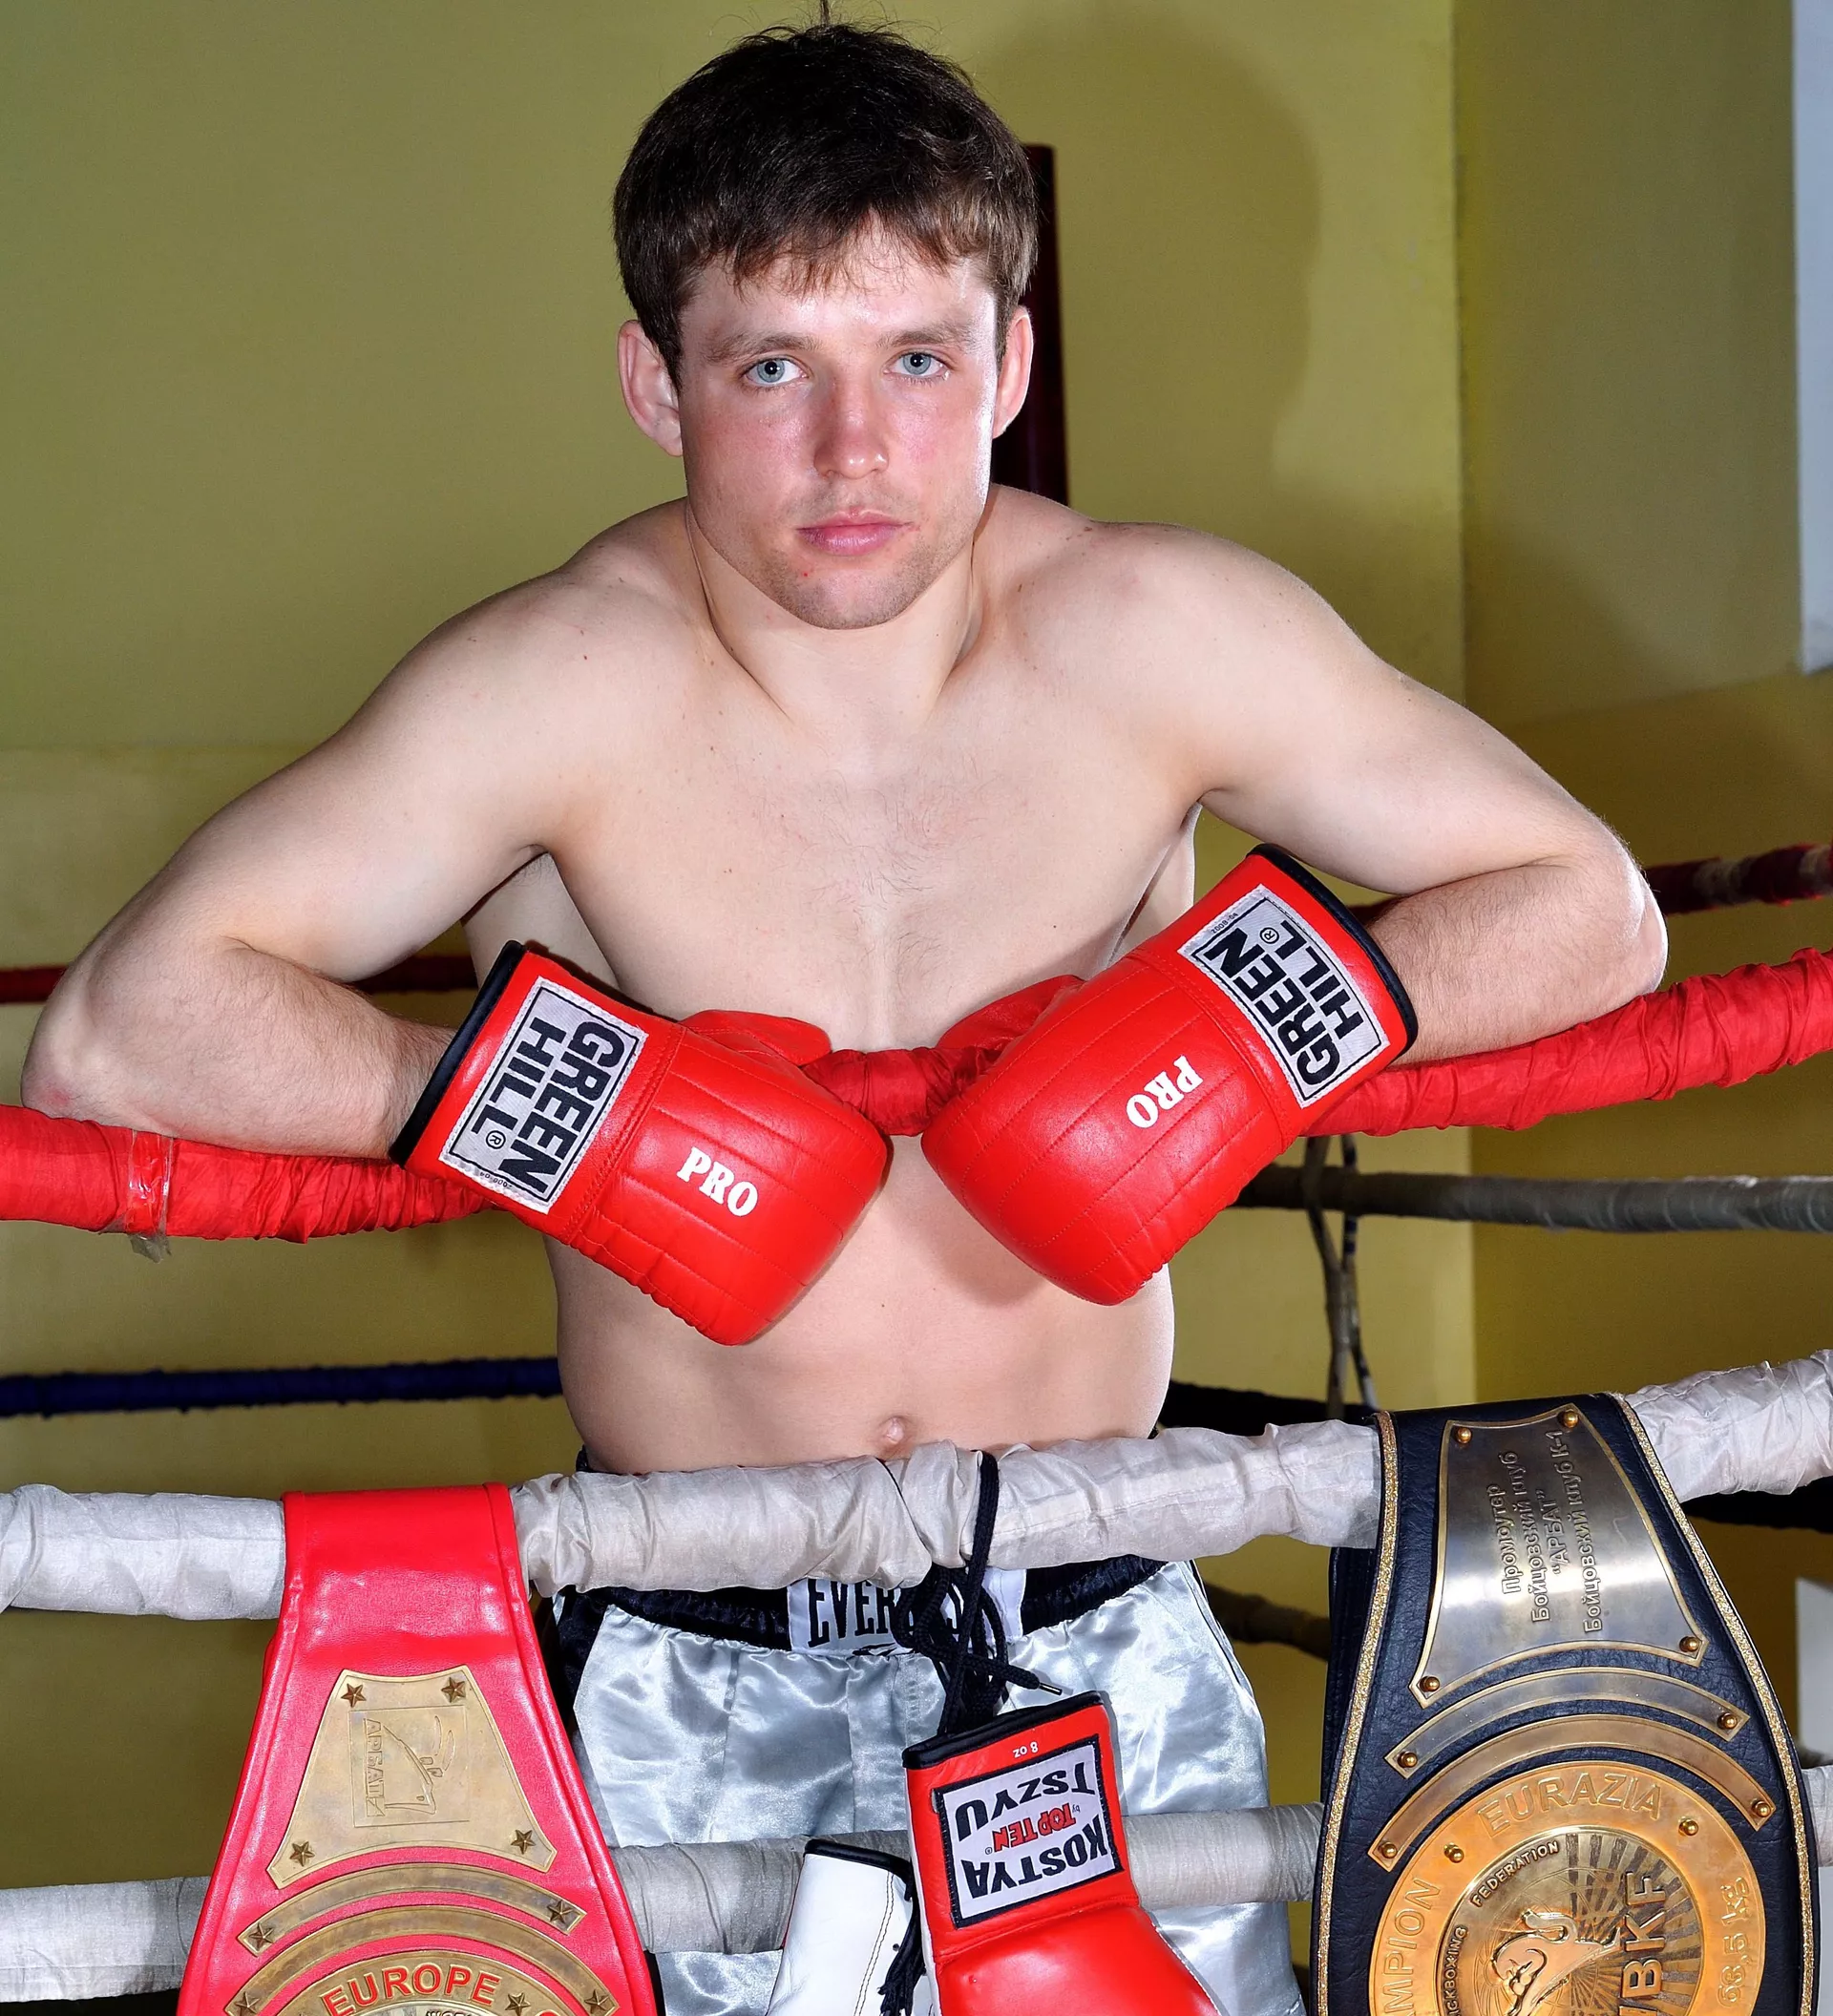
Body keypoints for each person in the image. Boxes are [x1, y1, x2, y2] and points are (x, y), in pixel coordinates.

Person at [22, 20, 1664, 2015]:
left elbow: (1590, 914)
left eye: (918, 361)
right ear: (658, 382)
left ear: (1013, 366)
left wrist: (1251, 1035)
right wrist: (562, 1112)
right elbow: (123, 1033)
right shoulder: (559, 686)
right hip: (688, 1640)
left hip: (1089, 1612)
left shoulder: (1161, 639)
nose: (854, 452)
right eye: (772, 368)